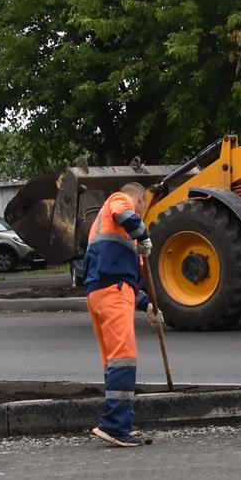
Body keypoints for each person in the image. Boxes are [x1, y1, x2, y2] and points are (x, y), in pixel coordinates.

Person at [81, 182, 160, 448]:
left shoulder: (109, 232)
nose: (140, 211)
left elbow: (127, 282)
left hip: (103, 291)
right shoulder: (120, 200)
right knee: (123, 359)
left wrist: (148, 305)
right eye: (143, 205)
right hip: (112, 291)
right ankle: (114, 426)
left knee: (114, 362)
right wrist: (143, 234)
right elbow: (122, 211)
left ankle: (121, 423)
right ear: (139, 198)